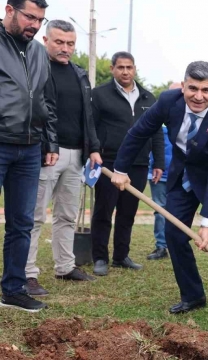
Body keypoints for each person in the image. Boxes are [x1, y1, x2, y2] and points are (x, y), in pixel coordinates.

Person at [110, 61, 208, 335]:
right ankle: (193, 294)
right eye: (192, 88)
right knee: (173, 234)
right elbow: (139, 133)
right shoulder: (168, 101)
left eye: (205, 90)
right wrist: (120, 169)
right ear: (182, 86)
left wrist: (206, 223)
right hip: (184, 176)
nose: (198, 96)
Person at [24, 19, 100, 297]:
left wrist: (93, 147)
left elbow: (87, 116)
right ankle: (27, 273)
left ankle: (65, 266)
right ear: (46, 41)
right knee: (33, 217)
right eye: (59, 42)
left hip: (76, 155)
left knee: (67, 215)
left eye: (70, 43)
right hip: (46, 154)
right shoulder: (35, 69)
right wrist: (47, 146)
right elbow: (37, 112)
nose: (64, 48)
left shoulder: (80, 74)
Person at [0, 0, 58, 313]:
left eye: (40, 19)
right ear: (9, 10)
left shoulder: (37, 51)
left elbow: (46, 101)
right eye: (30, 17)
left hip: (30, 148)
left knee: (22, 223)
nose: (35, 25)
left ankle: (12, 289)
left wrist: (51, 142)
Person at [90, 51, 165, 276]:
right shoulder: (100, 95)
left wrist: (158, 161)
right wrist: (93, 150)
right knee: (104, 211)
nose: (125, 71)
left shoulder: (149, 98)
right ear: (113, 69)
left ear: (135, 69)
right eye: (120, 67)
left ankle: (121, 256)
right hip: (108, 162)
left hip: (139, 164)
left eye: (129, 67)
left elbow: (157, 133)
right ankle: (100, 258)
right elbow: (90, 127)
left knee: (127, 213)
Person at [146, 82, 179, 260]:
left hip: (181, 176)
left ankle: (177, 245)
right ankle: (161, 246)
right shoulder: (157, 118)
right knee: (160, 211)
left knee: (179, 211)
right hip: (160, 175)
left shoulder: (188, 119)